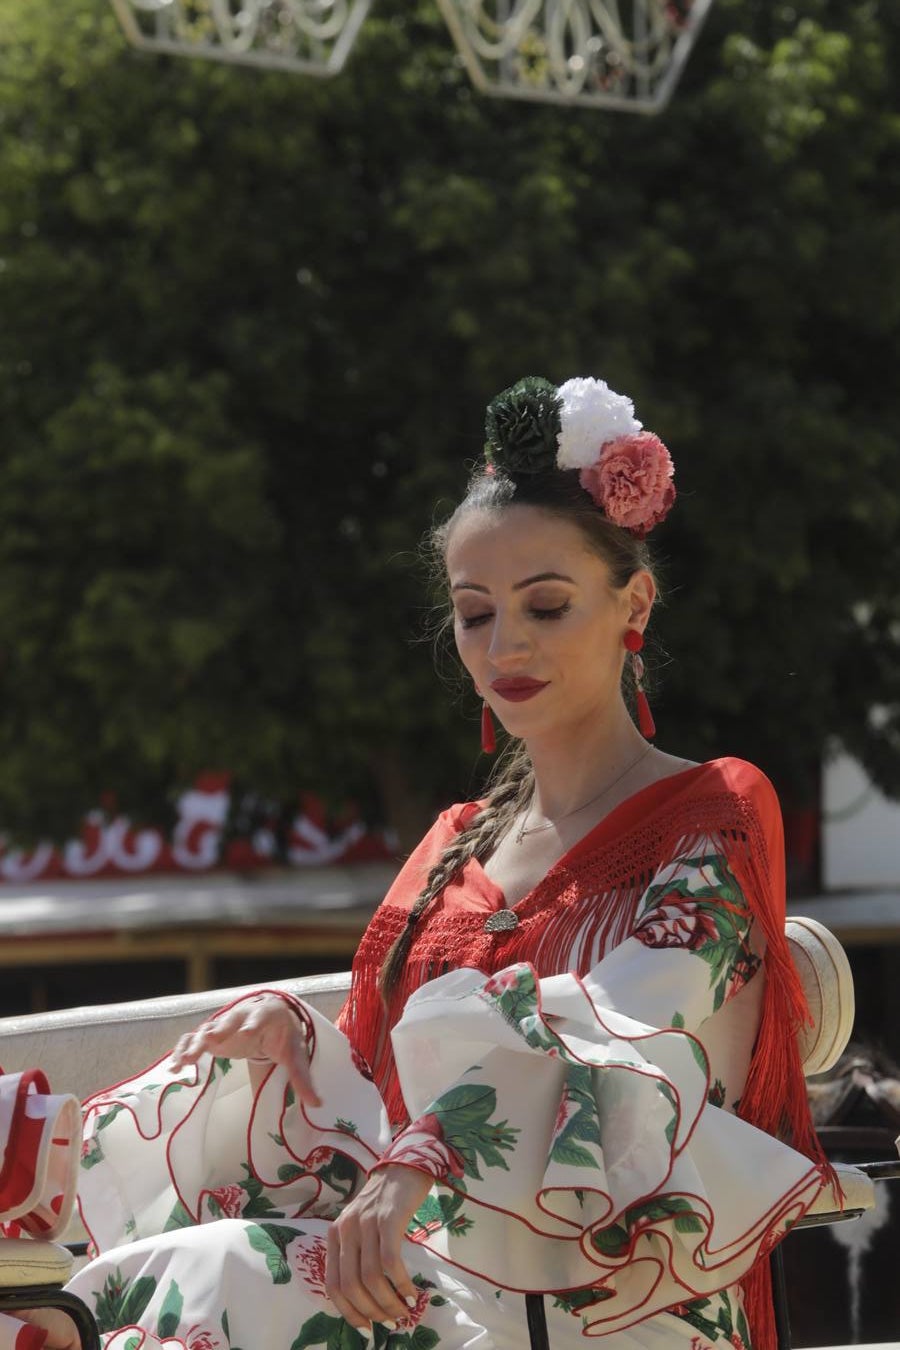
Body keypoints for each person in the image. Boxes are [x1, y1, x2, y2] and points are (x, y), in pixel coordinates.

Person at [22, 377, 833, 1350]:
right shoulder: (457, 843)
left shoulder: (716, 807)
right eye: (475, 612)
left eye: (545, 602)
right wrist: (300, 1041)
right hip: (433, 1262)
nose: (507, 642)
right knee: (151, 1273)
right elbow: (379, 1077)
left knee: (230, 1279)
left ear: (635, 602)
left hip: (613, 1284)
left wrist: (422, 1161)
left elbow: (633, 1016)